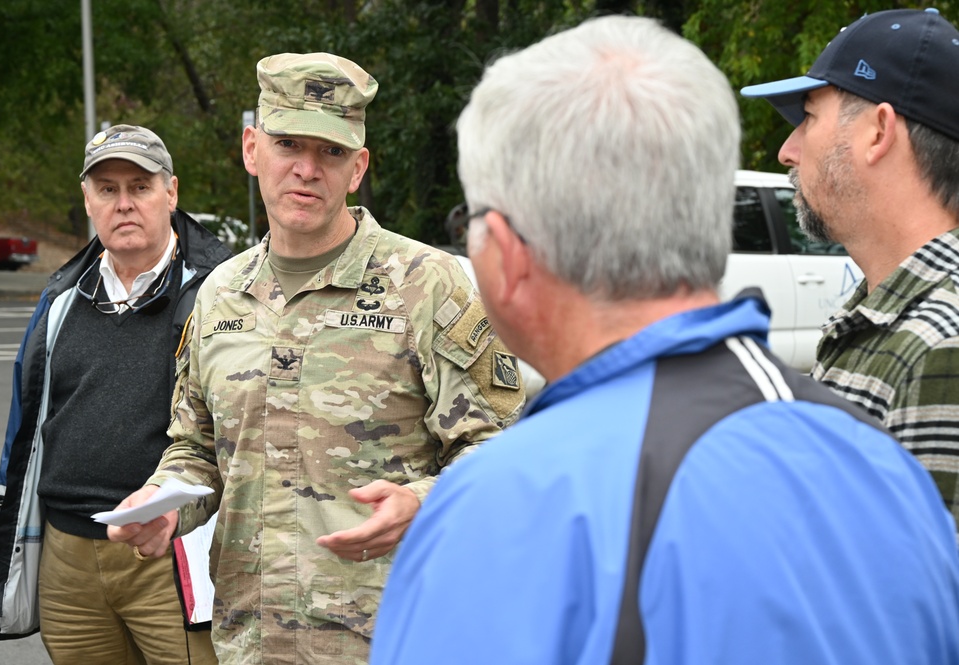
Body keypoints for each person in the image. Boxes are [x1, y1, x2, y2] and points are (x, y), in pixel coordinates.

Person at [369, 15, 959, 665]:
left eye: (474, 217)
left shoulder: (493, 513)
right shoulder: (879, 467)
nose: (787, 149)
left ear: (507, 256)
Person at [107, 53, 525, 664]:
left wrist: (424, 501)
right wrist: (162, 505)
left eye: (330, 152)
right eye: (288, 144)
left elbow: (507, 452)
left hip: (396, 639)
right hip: (252, 641)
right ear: (252, 149)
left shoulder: (426, 283)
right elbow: (197, 449)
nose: (306, 169)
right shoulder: (221, 293)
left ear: (358, 168)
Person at [0, 124, 232, 664]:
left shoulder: (222, 294)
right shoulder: (59, 301)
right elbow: (26, 426)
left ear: (172, 192)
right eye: (107, 189)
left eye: (140, 187)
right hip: (66, 559)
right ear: (88, 199)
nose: (124, 204)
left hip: (172, 553)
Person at [742, 8, 959, 533]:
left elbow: (911, 605)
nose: (786, 151)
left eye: (808, 117)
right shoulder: (889, 320)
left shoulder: (940, 345)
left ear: (878, 131)